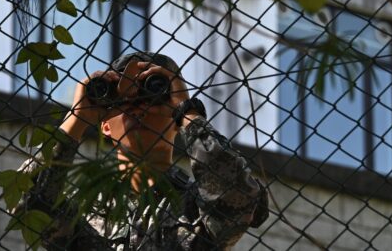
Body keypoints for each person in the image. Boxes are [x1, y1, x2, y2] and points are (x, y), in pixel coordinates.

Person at [15, 52, 269, 250]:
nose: (139, 107)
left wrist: (187, 110)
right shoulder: (86, 205)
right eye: (124, 100)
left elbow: (239, 194)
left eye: (154, 95)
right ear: (105, 123)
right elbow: (26, 203)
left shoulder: (196, 204)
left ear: (175, 120)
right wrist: (77, 119)